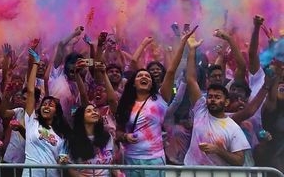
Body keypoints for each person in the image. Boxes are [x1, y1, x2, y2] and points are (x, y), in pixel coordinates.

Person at [114, 27, 196, 176]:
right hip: (131, 161)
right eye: (140, 76)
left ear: (152, 84)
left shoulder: (160, 99)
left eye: (147, 76)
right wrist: (125, 137)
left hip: (154, 161)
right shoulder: (126, 104)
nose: (144, 77)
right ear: (134, 83)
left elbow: (171, 71)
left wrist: (182, 42)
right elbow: (118, 132)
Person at [183, 34, 250, 166]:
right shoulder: (201, 109)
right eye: (210, 97)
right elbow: (191, 79)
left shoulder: (232, 128)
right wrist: (192, 50)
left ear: (226, 102)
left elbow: (239, 160)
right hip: (192, 172)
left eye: (217, 97)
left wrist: (218, 150)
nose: (212, 100)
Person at [23, 47, 70, 177]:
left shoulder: (62, 134)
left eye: (50, 105)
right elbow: (31, 91)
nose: (46, 106)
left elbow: (63, 157)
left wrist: (64, 159)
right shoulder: (31, 121)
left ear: (56, 112)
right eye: (44, 104)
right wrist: (36, 63)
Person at [68, 104, 114, 177]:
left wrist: (120, 174)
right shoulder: (73, 139)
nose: (94, 112)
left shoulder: (107, 137)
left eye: (95, 110)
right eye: (89, 111)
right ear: (81, 117)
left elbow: (111, 163)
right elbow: (71, 168)